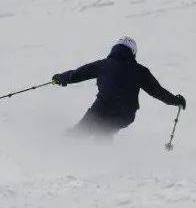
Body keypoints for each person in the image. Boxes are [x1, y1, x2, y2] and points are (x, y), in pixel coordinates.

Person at [52, 37, 185, 137]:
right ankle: (106, 164)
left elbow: (78, 74)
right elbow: (158, 92)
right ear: (133, 52)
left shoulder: (103, 65)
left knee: (79, 134)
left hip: (100, 110)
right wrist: (176, 100)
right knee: (103, 134)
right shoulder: (140, 71)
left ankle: (62, 153)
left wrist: (61, 78)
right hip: (124, 115)